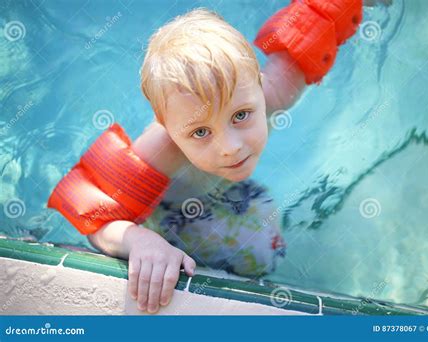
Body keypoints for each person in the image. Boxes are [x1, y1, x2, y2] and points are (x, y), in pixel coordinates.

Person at [48, 0, 369, 313]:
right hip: (169, 213)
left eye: (241, 115)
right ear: (168, 127)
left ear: (260, 87)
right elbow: (96, 222)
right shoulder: (158, 152)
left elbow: (320, 21)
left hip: (230, 196)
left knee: (264, 251)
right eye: (200, 132)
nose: (229, 147)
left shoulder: (275, 92)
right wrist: (141, 241)